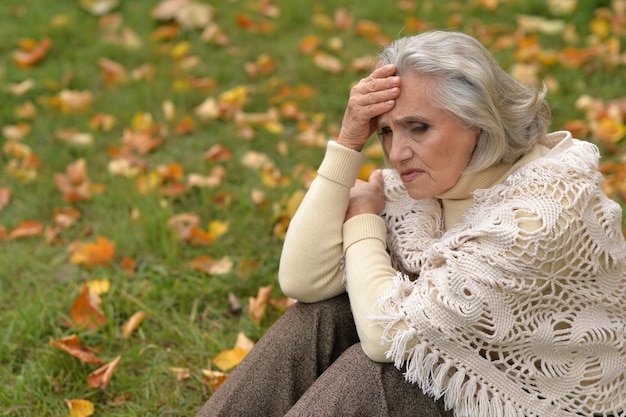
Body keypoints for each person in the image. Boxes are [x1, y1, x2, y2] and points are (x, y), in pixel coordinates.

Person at [195, 30, 626, 417]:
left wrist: (363, 220)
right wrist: (348, 142)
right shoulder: (421, 192)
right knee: (322, 314)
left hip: (536, 402)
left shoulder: (539, 215)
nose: (397, 153)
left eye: (417, 128)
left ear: (480, 121)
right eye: (384, 132)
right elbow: (302, 280)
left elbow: (387, 338)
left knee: (379, 370)